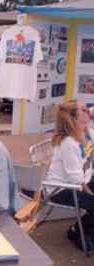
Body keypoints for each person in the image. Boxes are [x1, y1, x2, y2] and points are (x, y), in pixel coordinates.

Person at [44, 100, 94, 254]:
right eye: (83, 109)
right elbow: (75, 180)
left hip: (80, 182)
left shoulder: (88, 133)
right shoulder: (69, 143)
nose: (88, 109)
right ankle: (76, 231)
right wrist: (91, 194)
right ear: (74, 119)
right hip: (60, 189)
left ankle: (88, 230)